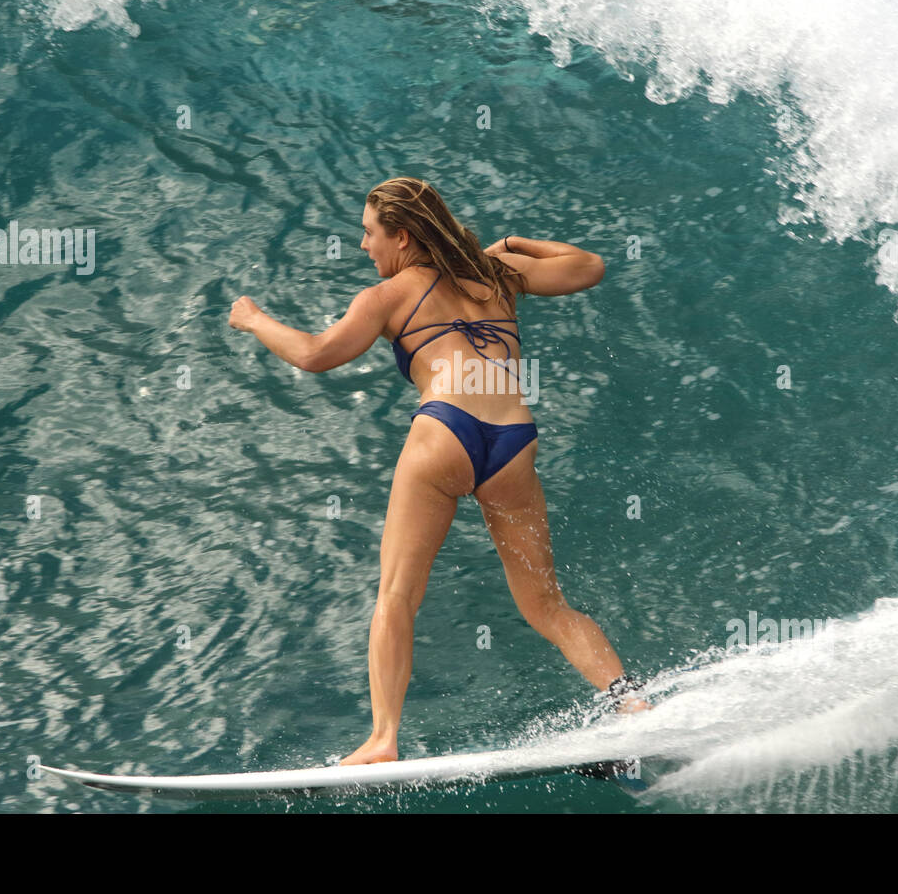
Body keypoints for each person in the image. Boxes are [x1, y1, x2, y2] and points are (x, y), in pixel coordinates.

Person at [228, 177, 645, 765]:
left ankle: (382, 740)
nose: (364, 245)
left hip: (445, 431)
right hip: (512, 442)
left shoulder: (387, 297)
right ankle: (631, 704)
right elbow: (590, 266)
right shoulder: (498, 275)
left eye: (371, 233)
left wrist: (253, 319)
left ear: (401, 236)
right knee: (547, 605)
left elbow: (313, 354)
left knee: (396, 595)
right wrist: (510, 244)